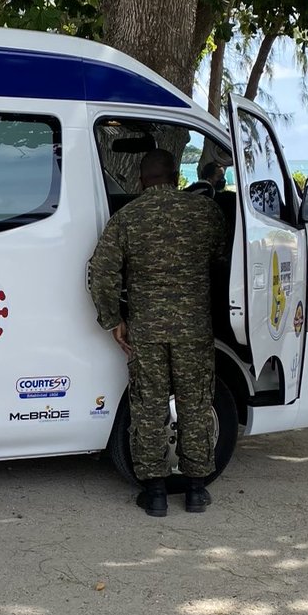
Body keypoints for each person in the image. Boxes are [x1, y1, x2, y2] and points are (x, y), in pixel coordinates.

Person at [88, 149, 227, 517]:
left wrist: (113, 318)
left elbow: (101, 271)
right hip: (194, 328)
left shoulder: (128, 217)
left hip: (146, 330)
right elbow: (221, 261)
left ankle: (155, 494)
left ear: (140, 180)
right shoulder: (205, 212)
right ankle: (195, 490)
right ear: (176, 177)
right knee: (195, 404)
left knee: (149, 406)